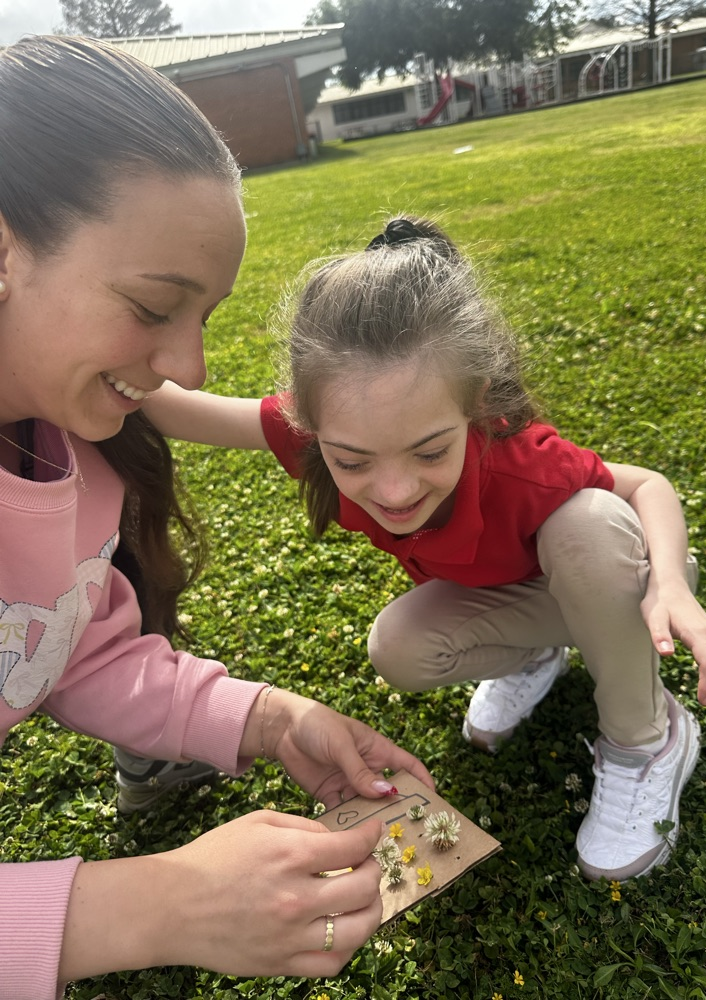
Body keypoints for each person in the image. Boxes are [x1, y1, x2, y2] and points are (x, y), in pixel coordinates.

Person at [0, 40, 435, 1000]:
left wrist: (273, 722)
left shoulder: (66, 444)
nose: (188, 369)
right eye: (153, 305)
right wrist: (152, 907)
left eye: (203, 317)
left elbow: (69, 652)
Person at [145, 216, 706, 886]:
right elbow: (169, 408)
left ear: (475, 404)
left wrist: (671, 586)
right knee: (398, 646)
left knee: (587, 521)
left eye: (430, 451)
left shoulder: (516, 459)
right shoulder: (321, 426)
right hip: (525, 603)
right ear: (311, 428)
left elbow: (646, 486)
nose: (395, 490)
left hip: (627, 583)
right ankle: (536, 659)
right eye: (353, 461)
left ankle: (647, 739)